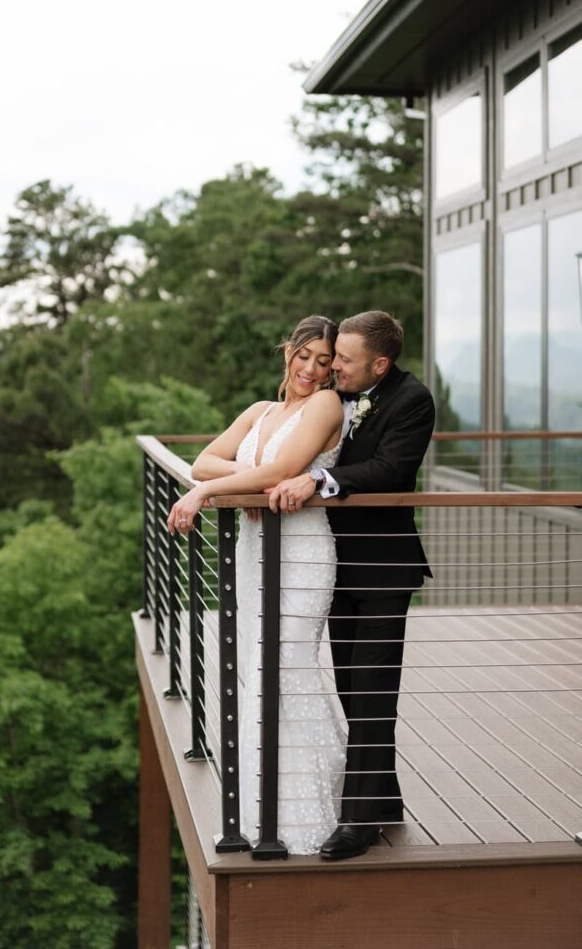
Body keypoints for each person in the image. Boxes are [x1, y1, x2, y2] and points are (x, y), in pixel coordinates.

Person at [167, 316, 347, 855]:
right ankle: (259, 807)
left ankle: (309, 813)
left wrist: (206, 495)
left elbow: (282, 470)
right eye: (305, 355)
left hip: (302, 551)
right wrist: (232, 486)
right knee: (257, 667)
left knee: (287, 668)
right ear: (287, 351)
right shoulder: (260, 411)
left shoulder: (327, 406)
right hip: (252, 552)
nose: (312, 369)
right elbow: (203, 460)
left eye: (324, 360)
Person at [268, 310, 435, 860]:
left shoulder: (413, 401)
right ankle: (383, 797)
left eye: (344, 359)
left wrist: (320, 477)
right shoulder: (340, 396)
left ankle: (359, 823)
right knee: (353, 688)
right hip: (338, 567)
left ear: (379, 364)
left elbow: (390, 469)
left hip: (386, 569)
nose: (333, 365)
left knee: (371, 690)